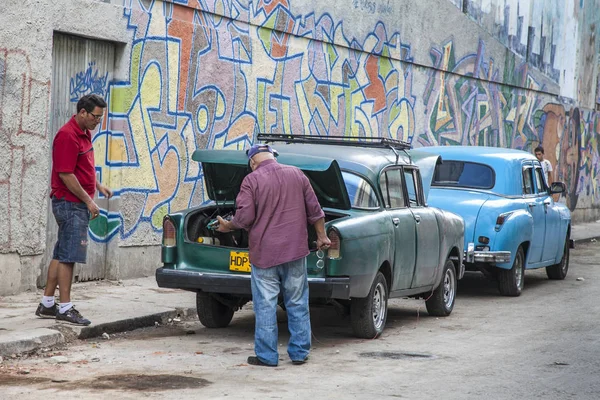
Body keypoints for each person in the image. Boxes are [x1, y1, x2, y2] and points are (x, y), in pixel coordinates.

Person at [215, 144, 331, 367]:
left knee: (265, 304)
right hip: (295, 251)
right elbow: (315, 211)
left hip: (265, 254)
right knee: (297, 301)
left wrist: (228, 226)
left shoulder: (251, 180)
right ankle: (299, 353)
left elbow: (245, 218)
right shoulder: (297, 174)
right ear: (273, 157)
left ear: (252, 162)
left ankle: (267, 356)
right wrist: (321, 237)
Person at [35, 94, 113, 326]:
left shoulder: (84, 134)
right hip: (70, 204)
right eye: (95, 117)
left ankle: (48, 303)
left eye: (100, 118)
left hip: (74, 203)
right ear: (82, 112)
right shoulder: (67, 136)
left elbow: (82, 167)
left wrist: (97, 185)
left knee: (61, 254)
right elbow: (65, 174)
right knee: (69, 256)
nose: (97, 122)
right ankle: (65, 308)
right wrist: (89, 201)